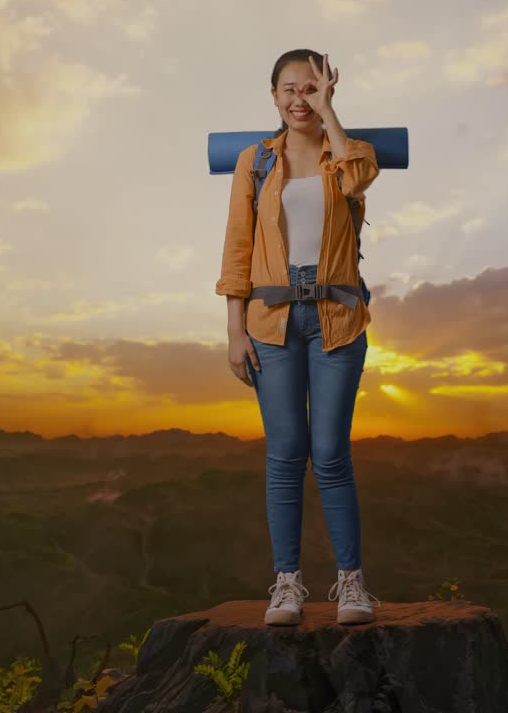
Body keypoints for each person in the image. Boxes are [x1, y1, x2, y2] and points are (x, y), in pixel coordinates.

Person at [215, 49, 381, 626]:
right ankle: (287, 584)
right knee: (285, 457)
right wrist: (235, 332)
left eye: (310, 88)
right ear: (273, 95)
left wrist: (331, 111)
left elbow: (362, 177)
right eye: (288, 88)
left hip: (337, 321)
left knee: (332, 455)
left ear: (327, 92)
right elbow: (238, 250)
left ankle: (351, 584)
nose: (298, 99)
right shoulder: (255, 162)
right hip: (272, 325)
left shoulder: (346, 156)